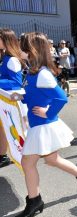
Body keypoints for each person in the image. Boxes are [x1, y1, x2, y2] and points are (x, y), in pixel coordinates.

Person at [12, 32, 77, 217]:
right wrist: (22, 97)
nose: (19, 48)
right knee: (52, 159)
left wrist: (47, 112)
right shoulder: (32, 71)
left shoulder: (42, 73)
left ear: (31, 49)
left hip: (43, 126)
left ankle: (34, 200)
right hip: (38, 125)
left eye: (22, 45)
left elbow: (61, 97)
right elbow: (35, 93)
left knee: (28, 163)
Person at [0, 28, 27, 168]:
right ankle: (2, 155)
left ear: (5, 40)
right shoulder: (5, 56)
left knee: (16, 130)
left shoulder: (12, 60)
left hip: (12, 101)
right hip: (5, 99)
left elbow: (15, 83)